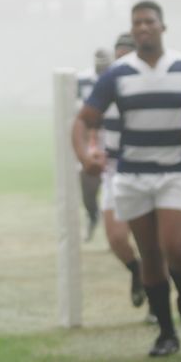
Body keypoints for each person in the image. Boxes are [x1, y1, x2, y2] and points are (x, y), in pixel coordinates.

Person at [72, 1, 181, 357]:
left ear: (162, 26)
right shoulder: (117, 74)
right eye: (137, 22)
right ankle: (166, 332)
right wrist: (87, 156)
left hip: (177, 171)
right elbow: (83, 121)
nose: (143, 27)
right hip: (133, 175)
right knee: (152, 257)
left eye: (149, 21)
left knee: (177, 248)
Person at [94, 33, 154, 322]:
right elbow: (90, 123)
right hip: (114, 170)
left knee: (151, 242)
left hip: (147, 168)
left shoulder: (150, 87)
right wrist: (92, 150)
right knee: (117, 238)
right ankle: (137, 272)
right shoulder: (105, 89)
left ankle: (157, 308)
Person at [75, 48, 113, 241]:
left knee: (115, 187)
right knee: (88, 185)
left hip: (113, 138)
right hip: (89, 139)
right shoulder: (81, 80)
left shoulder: (117, 78)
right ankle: (92, 215)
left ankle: (115, 230)